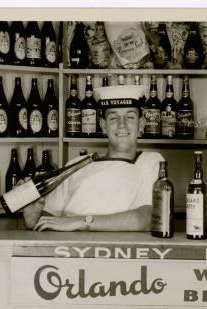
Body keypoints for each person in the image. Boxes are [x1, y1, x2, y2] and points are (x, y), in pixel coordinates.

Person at [20, 84, 164, 232]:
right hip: (66, 249)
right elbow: (49, 220)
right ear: (103, 125)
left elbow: (145, 219)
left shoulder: (151, 161)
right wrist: (33, 219)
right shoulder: (77, 164)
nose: (122, 125)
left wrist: (80, 222)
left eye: (130, 117)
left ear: (141, 124)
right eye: (113, 118)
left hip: (117, 251)